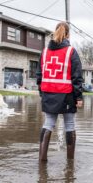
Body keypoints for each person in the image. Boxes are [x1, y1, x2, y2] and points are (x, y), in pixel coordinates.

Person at [36, 22, 83, 161]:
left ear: (55, 32)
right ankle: (70, 163)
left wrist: (42, 93)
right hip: (67, 95)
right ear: (68, 34)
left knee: (48, 123)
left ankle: (42, 161)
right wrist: (79, 98)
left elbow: (39, 75)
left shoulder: (44, 52)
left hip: (48, 94)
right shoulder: (71, 51)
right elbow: (77, 77)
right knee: (69, 125)